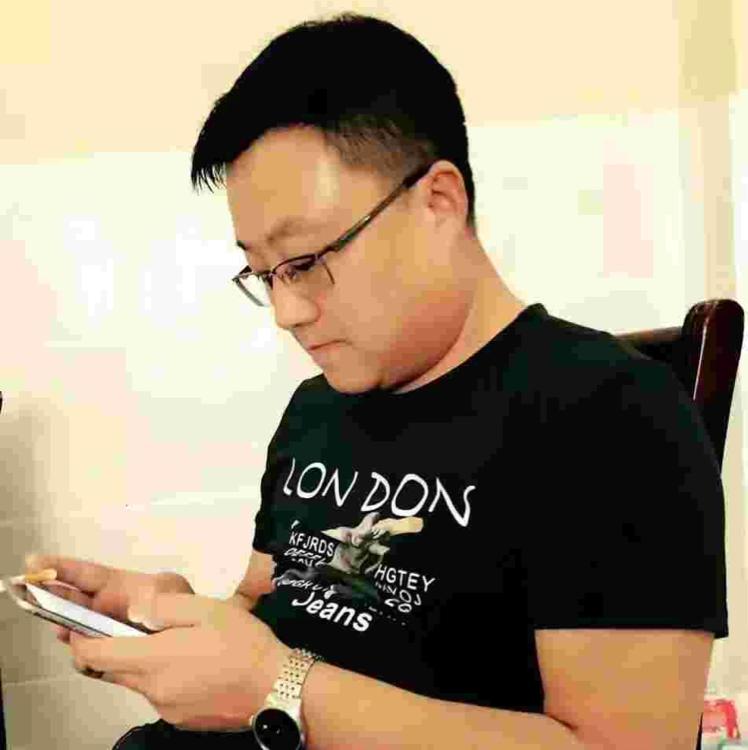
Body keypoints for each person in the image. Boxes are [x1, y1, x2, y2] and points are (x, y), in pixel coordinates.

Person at [25, 11, 727, 750]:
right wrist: (167, 622)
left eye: (305, 261)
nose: (287, 311)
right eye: (263, 274)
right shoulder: (317, 408)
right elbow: (267, 611)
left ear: (438, 202)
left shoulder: (611, 415)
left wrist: (277, 687)